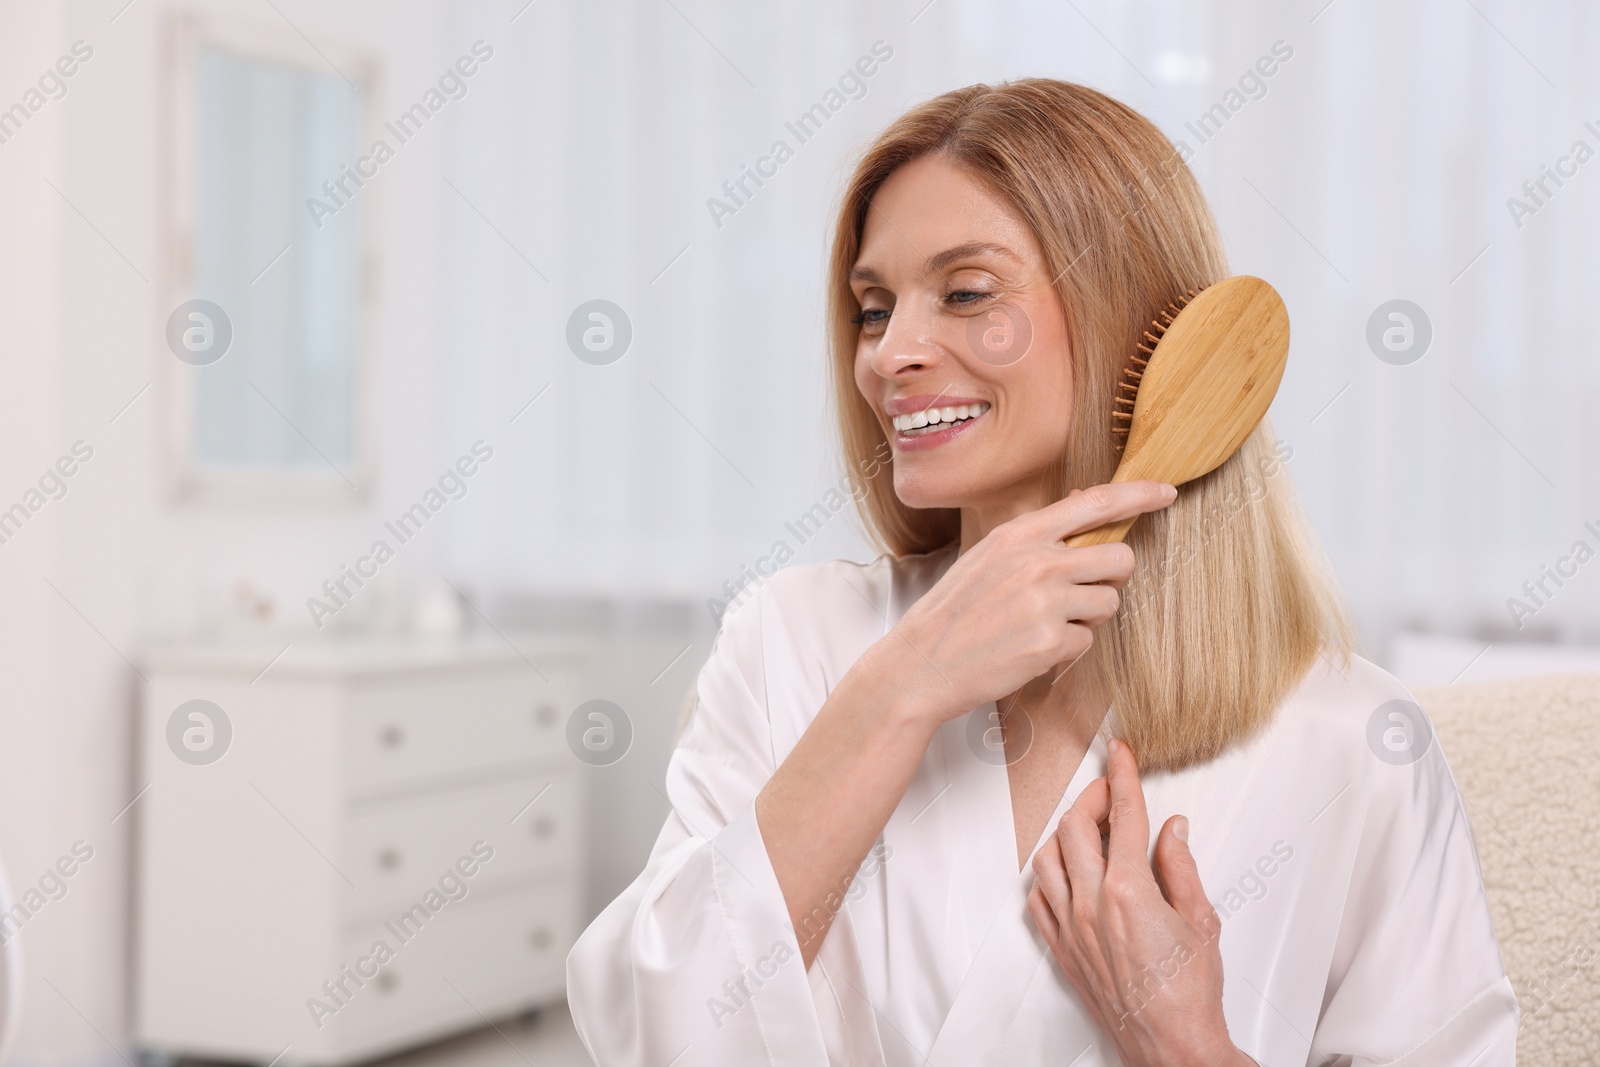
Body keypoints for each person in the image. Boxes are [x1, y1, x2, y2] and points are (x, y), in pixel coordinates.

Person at [567, 79, 1516, 1066]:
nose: (891, 353)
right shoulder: (789, 640)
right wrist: (899, 687)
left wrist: (1183, 1044)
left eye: (967, 293)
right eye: (873, 307)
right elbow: (649, 1034)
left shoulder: (1351, 740)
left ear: (1133, 316)